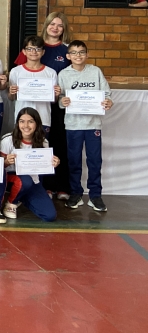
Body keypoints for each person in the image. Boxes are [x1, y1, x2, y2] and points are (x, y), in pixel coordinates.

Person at [14, 12, 72, 199]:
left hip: (57, 104)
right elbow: (17, 75)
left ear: (64, 29)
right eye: (52, 24)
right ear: (46, 25)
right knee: (35, 145)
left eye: (60, 25)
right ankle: (41, 186)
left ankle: (61, 186)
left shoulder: (67, 50)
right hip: (33, 106)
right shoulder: (35, 45)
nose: (55, 28)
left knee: (57, 145)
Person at [58, 40, 113, 212]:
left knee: (94, 161)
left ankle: (95, 195)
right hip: (73, 124)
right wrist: (62, 101)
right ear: (68, 56)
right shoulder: (63, 74)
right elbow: (59, 97)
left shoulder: (95, 71)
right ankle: (76, 193)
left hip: (93, 124)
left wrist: (108, 101)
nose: (78, 55)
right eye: (74, 52)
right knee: (74, 161)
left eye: (81, 52)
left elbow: (107, 94)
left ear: (87, 54)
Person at [0, 108, 60, 222]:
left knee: (49, 215)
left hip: (33, 181)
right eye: (22, 121)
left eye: (30, 121)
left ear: (37, 123)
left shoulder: (43, 142)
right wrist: (6, 161)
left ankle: (22, 197)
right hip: (10, 179)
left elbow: (44, 168)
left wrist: (53, 163)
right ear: (17, 123)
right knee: (25, 180)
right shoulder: (7, 140)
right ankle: (11, 203)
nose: (26, 125)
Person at [7, 36, 60, 135]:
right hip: (22, 119)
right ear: (24, 51)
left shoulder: (51, 72)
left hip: (43, 118)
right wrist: (11, 93)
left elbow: (54, 101)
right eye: (30, 49)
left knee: (42, 145)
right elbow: (11, 98)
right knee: (22, 145)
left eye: (38, 49)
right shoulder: (15, 71)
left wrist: (56, 95)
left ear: (43, 52)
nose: (34, 52)